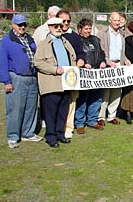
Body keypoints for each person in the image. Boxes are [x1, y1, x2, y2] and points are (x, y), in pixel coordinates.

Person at [0, 14, 43, 148]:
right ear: (13, 25)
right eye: (19, 25)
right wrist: (6, 81)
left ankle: (28, 133)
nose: (22, 27)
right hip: (16, 77)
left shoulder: (29, 38)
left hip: (32, 77)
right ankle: (13, 136)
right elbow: (2, 62)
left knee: (31, 107)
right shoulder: (7, 40)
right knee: (15, 108)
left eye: (24, 24)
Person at [34, 17, 77, 147]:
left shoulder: (65, 42)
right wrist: (54, 69)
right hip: (51, 83)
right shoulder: (43, 44)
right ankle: (51, 136)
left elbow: (73, 58)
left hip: (66, 83)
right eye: (55, 26)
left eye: (60, 25)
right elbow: (38, 62)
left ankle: (60, 134)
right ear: (49, 27)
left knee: (63, 110)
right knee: (51, 111)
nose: (58, 28)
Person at [97, 12, 131, 126]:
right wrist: (108, 62)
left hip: (119, 65)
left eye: (118, 20)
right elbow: (100, 51)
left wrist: (125, 59)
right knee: (105, 93)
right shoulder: (102, 33)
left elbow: (122, 52)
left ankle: (112, 116)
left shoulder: (122, 34)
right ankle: (101, 116)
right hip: (107, 66)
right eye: (115, 20)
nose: (117, 22)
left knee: (117, 92)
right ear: (109, 21)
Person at [57, 10, 86, 139]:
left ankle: (68, 127)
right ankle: (57, 126)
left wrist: (81, 60)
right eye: (63, 21)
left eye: (68, 21)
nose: (66, 23)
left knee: (71, 101)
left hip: (71, 74)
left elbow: (81, 53)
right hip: (57, 74)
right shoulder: (52, 35)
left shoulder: (74, 36)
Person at [75, 19, 107, 134]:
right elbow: (76, 56)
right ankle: (79, 123)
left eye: (89, 28)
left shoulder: (95, 39)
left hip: (97, 73)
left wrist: (103, 61)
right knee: (83, 98)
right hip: (85, 74)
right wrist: (83, 63)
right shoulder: (77, 40)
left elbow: (101, 53)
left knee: (96, 97)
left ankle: (92, 120)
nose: (88, 31)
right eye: (86, 29)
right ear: (80, 30)